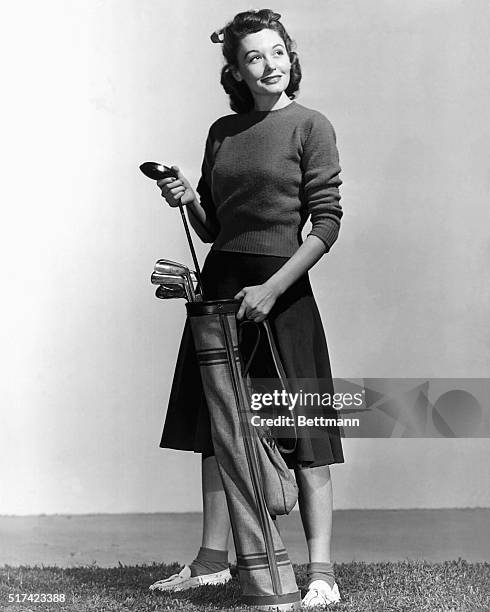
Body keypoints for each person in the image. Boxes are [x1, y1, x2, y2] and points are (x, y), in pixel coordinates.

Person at [149, 9, 345, 608]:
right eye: (254, 57)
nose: (270, 65)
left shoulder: (311, 125)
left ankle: (321, 574)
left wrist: (272, 289)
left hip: (280, 292)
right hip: (222, 283)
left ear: (290, 54)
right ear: (235, 69)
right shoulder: (222, 131)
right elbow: (214, 229)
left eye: (277, 51)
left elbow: (326, 224)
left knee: (303, 432)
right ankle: (212, 562)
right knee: (217, 428)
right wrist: (187, 197)